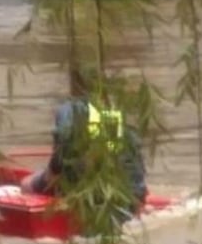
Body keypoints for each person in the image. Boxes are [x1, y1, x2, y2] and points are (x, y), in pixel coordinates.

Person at [20, 78, 148, 222]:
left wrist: (44, 179)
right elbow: (133, 166)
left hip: (86, 193)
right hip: (130, 196)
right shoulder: (115, 116)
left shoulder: (70, 110)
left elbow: (61, 157)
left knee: (25, 183)